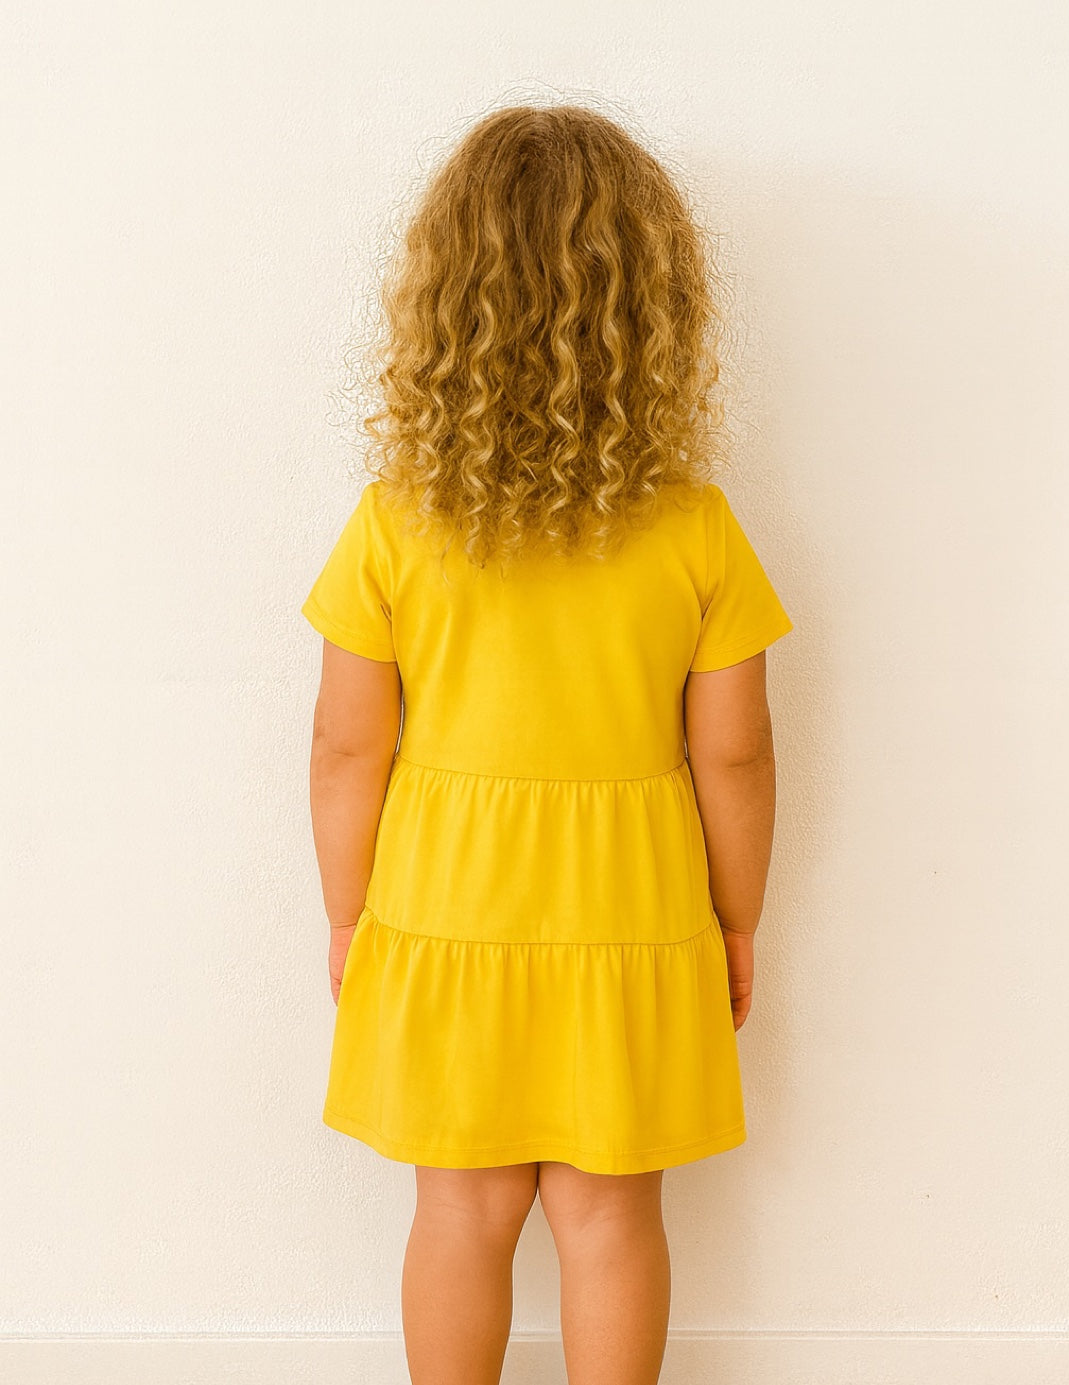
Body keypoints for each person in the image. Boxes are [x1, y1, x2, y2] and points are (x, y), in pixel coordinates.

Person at [301, 102, 794, 1385]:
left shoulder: (394, 523)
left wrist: (349, 914)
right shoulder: (695, 527)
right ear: (655, 307)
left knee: (459, 1210)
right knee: (610, 1214)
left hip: (445, 904)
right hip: (629, 908)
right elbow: (736, 755)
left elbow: (346, 751)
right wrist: (736, 917)